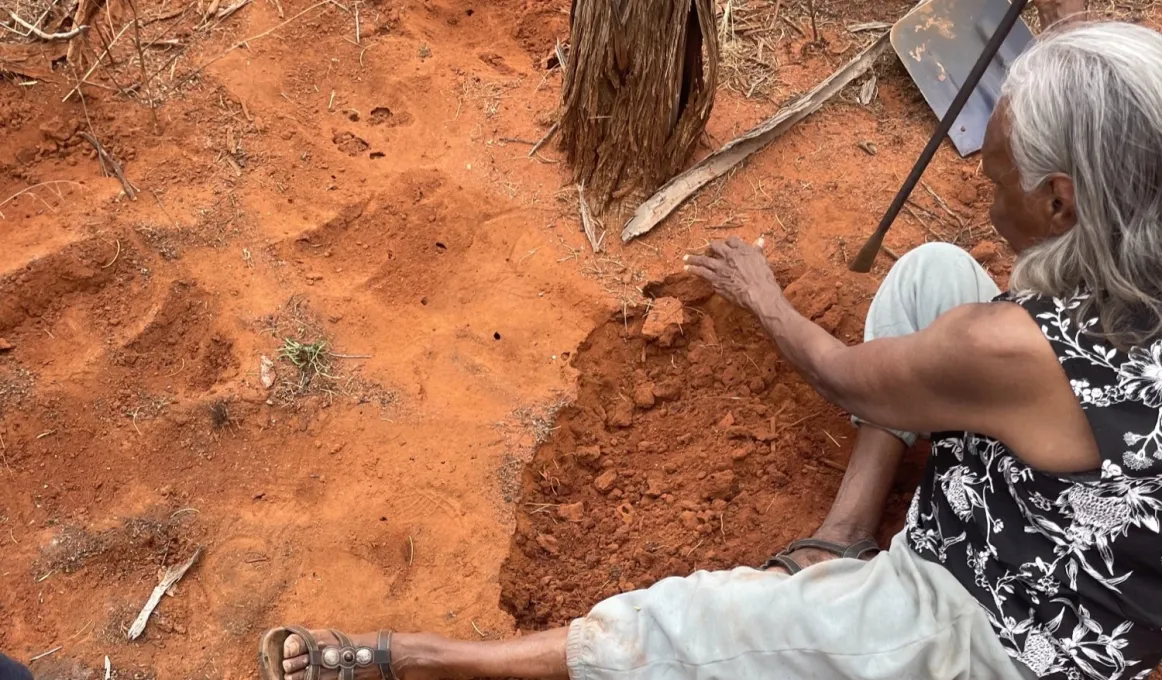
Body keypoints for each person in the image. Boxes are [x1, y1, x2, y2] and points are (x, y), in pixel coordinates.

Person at [258, 18, 1162, 680]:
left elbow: (840, 372)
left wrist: (766, 301)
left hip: (1005, 626)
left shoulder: (1006, 350)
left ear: (1061, 201)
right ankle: (844, 532)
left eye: (994, 171)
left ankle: (426, 658)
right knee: (931, 270)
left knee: (693, 623)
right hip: (1079, 526)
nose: (978, 180)